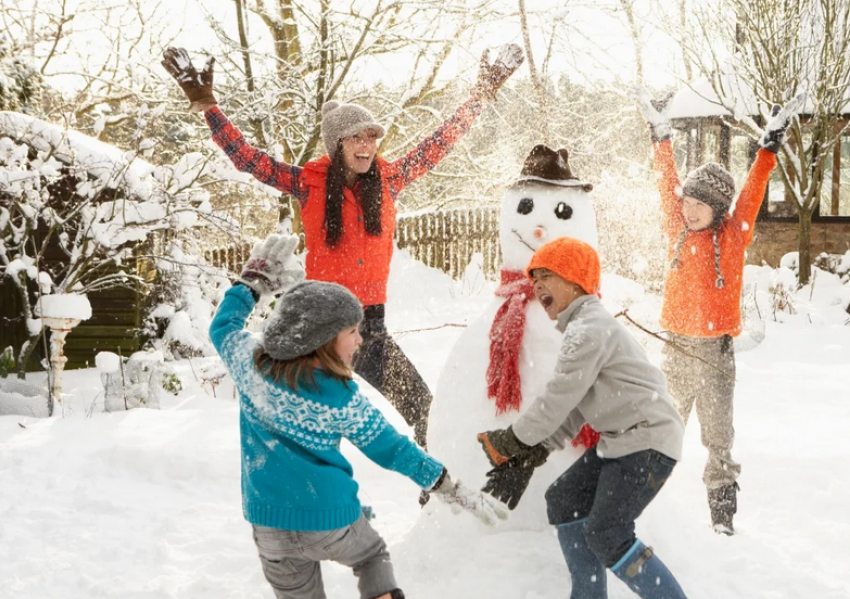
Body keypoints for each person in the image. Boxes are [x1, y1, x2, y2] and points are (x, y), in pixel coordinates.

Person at [162, 45, 524, 451]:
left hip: (369, 324)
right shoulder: (308, 182)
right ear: (337, 145)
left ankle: (438, 487)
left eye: (371, 136)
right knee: (305, 423)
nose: (367, 143)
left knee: (424, 409)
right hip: (318, 323)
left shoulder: (389, 180)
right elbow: (248, 160)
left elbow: (438, 144)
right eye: (357, 136)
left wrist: (480, 95)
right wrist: (209, 107)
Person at [209, 234, 506, 599]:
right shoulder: (341, 398)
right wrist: (448, 486)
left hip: (269, 526)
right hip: (332, 519)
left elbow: (223, 327)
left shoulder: (248, 361)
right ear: (321, 340)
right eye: (352, 332)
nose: (360, 341)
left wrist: (250, 285)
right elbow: (394, 449)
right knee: (371, 557)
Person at [476, 236, 688, 599]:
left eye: (545, 275)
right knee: (565, 498)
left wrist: (512, 440)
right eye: (533, 277)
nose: (536, 284)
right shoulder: (582, 328)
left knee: (609, 532)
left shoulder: (590, 328)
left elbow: (557, 398)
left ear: (574, 281)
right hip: (623, 441)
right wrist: (533, 453)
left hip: (647, 440)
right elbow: (574, 407)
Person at [634, 89, 805, 535]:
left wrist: (769, 144)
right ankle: (640, 506)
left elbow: (751, 190)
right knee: (660, 431)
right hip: (674, 348)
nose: (687, 210)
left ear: (717, 209)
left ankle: (722, 517)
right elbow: (664, 180)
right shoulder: (677, 226)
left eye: (698, 204)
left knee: (718, 438)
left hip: (715, 353)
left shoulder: (733, 237)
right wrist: (660, 133)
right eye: (686, 202)